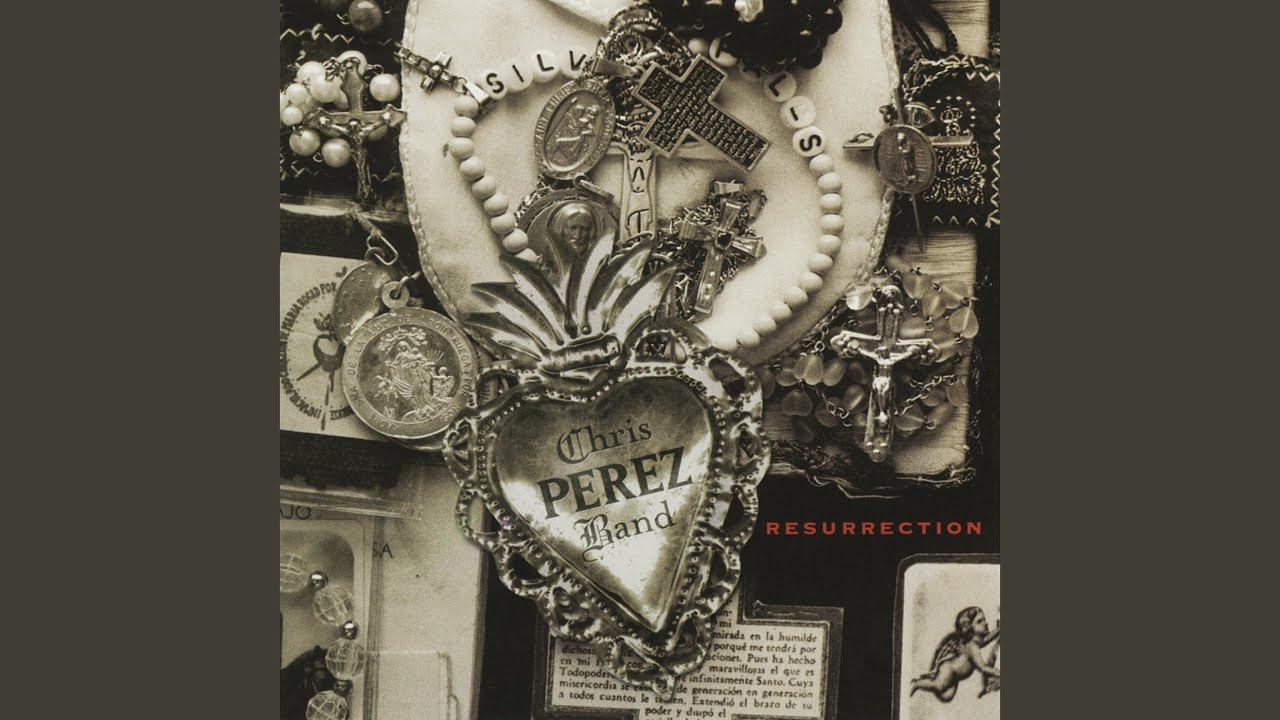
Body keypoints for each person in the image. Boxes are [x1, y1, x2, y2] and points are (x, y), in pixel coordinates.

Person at [909, 607, 1000, 701]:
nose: (985, 623)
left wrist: (998, 630)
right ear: (969, 627)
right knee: (939, 685)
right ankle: (916, 684)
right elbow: (983, 667)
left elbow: (987, 639)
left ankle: (929, 680)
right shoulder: (972, 646)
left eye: (984, 619)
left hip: (955, 676)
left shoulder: (976, 641)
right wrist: (998, 672)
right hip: (948, 670)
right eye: (979, 621)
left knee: (947, 696)